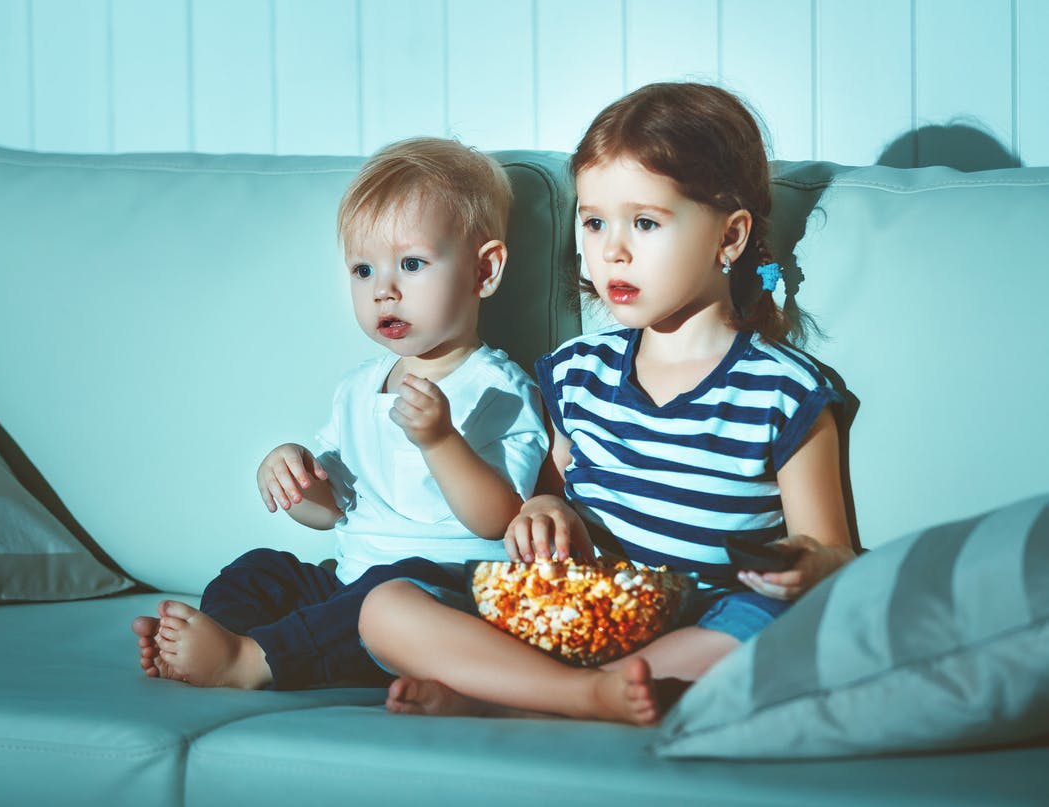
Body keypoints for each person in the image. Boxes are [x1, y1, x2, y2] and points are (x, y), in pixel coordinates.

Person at [357, 82, 859, 725]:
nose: (611, 249)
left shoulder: (783, 391)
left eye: (645, 223)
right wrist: (542, 514)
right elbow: (543, 498)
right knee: (385, 606)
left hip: (704, 615)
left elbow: (831, 551)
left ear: (728, 239)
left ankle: (514, 696)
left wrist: (806, 564)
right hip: (574, 614)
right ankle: (576, 695)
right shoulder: (577, 374)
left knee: (779, 625)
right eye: (594, 222)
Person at [130, 137, 548, 690]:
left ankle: (250, 662)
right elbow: (332, 512)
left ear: (484, 271)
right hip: (352, 584)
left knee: (394, 589)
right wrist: (295, 480)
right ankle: (219, 638)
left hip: (445, 595)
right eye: (363, 270)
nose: (384, 290)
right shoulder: (357, 389)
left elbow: (499, 517)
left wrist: (441, 440)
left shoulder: (500, 387)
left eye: (412, 264)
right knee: (261, 570)